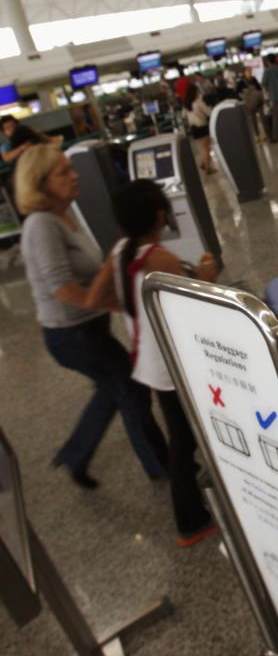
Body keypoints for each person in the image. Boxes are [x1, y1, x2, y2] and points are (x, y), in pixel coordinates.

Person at [16, 144, 169, 488]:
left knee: (112, 387)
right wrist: (114, 304)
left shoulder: (64, 216)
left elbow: (95, 273)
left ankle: (76, 454)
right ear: (40, 183)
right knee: (129, 387)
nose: (75, 175)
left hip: (88, 329)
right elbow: (62, 288)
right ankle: (160, 464)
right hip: (72, 335)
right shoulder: (41, 225)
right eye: (63, 172)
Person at [86, 180, 219, 547]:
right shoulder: (159, 258)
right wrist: (209, 271)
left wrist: (129, 309)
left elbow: (94, 297)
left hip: (148, 359)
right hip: (171, 363)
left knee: (180, 431)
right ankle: (190, 522)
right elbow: (197, 299)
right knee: (182, 439)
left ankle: (197, 485)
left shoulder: (120, 251)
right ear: (161, 214)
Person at [183, 83, 214, 173]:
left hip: (193, 128)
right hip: (202, 127)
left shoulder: (186, 104)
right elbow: (209, 112)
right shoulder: (198, 102)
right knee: (206, 148)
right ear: (194, 92)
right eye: (197, 91)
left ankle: (203, 163)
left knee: (201, 148)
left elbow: (183, 115)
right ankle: (208, 168)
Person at [240, 73, 266, 143]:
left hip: (256, 102)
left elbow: (260, 89)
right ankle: (258, 135)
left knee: (262, 118)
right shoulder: (241, 83)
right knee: (254, 120)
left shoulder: (253, 80)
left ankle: (265, 133)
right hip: (251, 104)